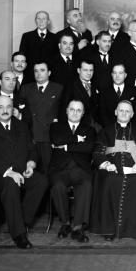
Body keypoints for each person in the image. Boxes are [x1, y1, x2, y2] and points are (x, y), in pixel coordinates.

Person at [0, 96, 48, 249]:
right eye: (1, 107)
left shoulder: (21, 125)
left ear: (13, 108)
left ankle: (22, 221)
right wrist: (8, 172)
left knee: (41, 181)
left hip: (21, 171)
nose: (5, 110)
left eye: (8, 107)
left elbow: (32, 150)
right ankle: (19, 234)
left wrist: (31, 164)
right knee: (11, 184)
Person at [91, 100, 136, 240]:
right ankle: (110, 229)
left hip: (134, 169)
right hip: (112, 169)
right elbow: (97, 153)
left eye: (127, 111)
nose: (124, 113)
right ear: (115, 112)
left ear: (132, 114)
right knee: (111, 181)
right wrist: (106, 164)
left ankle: (135, 229)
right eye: (121, 110)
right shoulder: (105, 131)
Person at [49, 100, 96, 242]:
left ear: (83, 113)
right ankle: (65, 223)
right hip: (59, 169)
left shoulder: (90, 130)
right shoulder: (56, 126)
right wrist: (76, 139)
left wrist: (66, 147)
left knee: (86, 185)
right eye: (72, 109)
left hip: (81, 169)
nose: (75, 113)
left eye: (79, 110)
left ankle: (77, 227)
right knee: (57, 187)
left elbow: (88, 148)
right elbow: (57, 139)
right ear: (66, 111)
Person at [19, 62, 63, 175]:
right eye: (36, 71)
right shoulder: (26, 89)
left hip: (49, 137)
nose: (38, 73)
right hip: (31, 136)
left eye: (42, 70)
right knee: (30, 170)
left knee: (48, 170)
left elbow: (62, 113)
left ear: (49, 73)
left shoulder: (58, 89)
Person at [19, 11, 58, 82]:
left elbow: (57, 57)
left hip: (50, 77)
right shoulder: (27, 36)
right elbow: (22, 56)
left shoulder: (55, 37)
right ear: (35, 21)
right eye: (38, 19)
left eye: (44, 19)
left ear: (48, 21)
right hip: (30, 75)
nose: (41, 21)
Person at [60, 60, 99, 127]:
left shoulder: (96, 84)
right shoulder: (71, 86)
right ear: (78, 70)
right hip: (77, 125)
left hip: (94, 126)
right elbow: (64, 108)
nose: (89, 73)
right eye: (85, 70)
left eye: (91, 70)